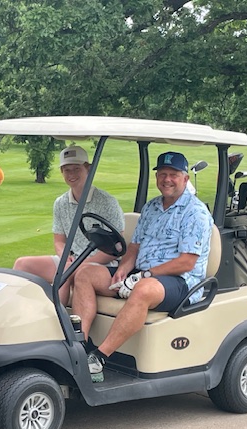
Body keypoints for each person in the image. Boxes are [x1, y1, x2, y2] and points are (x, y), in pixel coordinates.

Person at [71, 151, 213, 383]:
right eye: (163, 174)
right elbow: (134, 247)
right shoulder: (151, 207)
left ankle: (99, 358)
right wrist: (123, 269)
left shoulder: (195, 212)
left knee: (144, 289)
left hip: (181, 281)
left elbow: (187, 262)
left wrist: (145, 275)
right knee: (86, 273)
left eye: (174, 175)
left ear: (185, 179)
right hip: (142, 275)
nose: (167, 179)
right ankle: (80, 348)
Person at [13, 146, 124, 306]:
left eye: (76, 169)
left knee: (65, 272)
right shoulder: (61, 203)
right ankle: (21, 312)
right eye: (67, 170)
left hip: (101, 264)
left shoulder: (107, 202)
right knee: (21, 264)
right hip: (71, 260)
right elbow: (59, 240)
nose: (71, 174)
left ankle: (56, 316)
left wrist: (81, 263)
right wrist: (64, 255)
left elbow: (116, 249)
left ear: (88, 169)